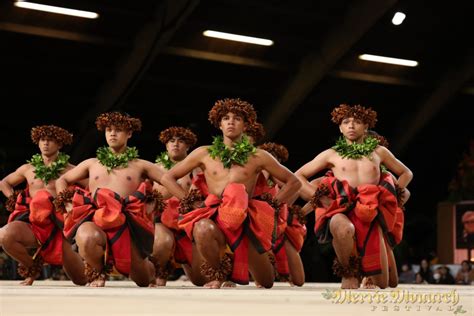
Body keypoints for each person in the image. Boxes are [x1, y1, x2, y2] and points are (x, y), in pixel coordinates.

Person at [160, 98, 302, 289]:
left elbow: (294, 182)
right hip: (214, 213)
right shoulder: (204, 153)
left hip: (246, 219)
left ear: (245, 125)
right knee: (202, 228)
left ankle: (248, 265)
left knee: (266, 282)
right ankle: (219, 272)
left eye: (237, 118)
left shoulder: (258, 156)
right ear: (219, 124)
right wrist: (188, 201)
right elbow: (167, 178)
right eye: (226, 118)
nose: (231, 122)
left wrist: (273, 204)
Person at [295, 104, 413, 289]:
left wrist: (390, 193)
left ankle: (372, 271)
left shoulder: (378, 152)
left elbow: (406, 173)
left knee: (383, 284)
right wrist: (322, 199)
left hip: (370, 210)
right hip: (340, 209)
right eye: (346, 122)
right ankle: (349, 272)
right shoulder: (331, 154)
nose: (351, 126)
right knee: (342, 228)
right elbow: (298, 176)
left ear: (366, 127)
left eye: (357, 122)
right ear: (340, 128)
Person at [55, 112, 165, 287]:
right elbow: (62, 180)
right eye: (108, 130)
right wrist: (66, 203)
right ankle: (97, 272)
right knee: (86, 235)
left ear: (129, 134)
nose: (112, 134)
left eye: (118, 130)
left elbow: (167, 180)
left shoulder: (141, 164)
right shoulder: (91, 163)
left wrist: (155, 202)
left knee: (143, 279)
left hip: (127, 222)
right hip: (95, 217)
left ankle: (149, 267)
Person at [0, 125, 83, 285]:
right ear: (38, 143)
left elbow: (93, 186)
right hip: (33, 222)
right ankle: (32, 267)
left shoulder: (70, 170)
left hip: (59, 227)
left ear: (59, 144)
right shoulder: (27, 169)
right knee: (4, 235)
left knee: (81, 280)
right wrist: (14, 198)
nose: (45, 143)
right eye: (42, 140)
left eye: (50, 140)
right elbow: (4, 183)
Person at [150, 126, 198, 286]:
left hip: (188, 221)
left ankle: (186, 263)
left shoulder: (196, 168)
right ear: (165, 144)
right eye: (171, 141)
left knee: (199, 279)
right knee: (162, 241)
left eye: (181, 141)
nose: (175, 144)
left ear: (188, 146)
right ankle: (159, 277)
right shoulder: (154, 168)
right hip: (161, 220)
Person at [256, 142, 306, 286]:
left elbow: (296, 188)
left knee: (299, 281)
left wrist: (280, 203)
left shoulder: (274, 173)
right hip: (257, 219)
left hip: (279, 221)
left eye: (275, 158)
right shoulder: (255, 169)